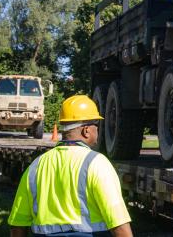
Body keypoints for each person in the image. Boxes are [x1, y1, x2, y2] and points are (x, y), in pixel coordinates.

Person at [8, 95, 133, 237]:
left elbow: (17, 225)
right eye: (96, 126)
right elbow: (118, 223)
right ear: (86, 131)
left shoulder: (36, 166)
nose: (98, 131)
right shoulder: (97, 163)